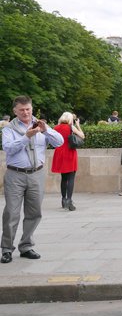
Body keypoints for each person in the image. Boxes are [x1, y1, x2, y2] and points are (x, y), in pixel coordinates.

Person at [2, 96, 64, 264]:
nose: (25, 112)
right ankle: (7, 248)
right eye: (21, 110)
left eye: (28, 109)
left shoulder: (40, 126)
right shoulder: (9, 129)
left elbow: (59, 142)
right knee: (11, 212)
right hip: (15, 174)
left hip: (36, 173)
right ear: (15, 111)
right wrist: (26, 137)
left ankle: (26, 246)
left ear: (31, 109)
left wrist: (46, 131)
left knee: (34, 212)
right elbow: (8, 148)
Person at [51, 112, 85, 211]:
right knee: (71, 177)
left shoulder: (56, 128)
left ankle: (63, 199)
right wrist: (78, 125)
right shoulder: (70, 127)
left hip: (59, 152)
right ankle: (69, 200)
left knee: (63, 178)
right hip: (70, 152)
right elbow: (82, 136)